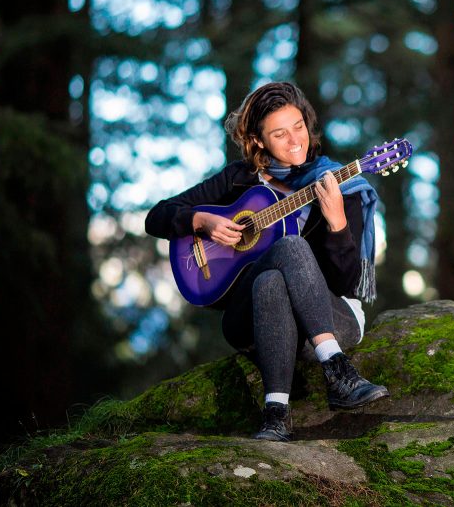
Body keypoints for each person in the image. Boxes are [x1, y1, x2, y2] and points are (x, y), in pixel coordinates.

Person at [145, 81, 388, 442]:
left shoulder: (337, 185)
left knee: (282, 261)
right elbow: (157, 217)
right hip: (254, 321)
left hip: (330, 316)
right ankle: (334, 378)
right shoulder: (239, 180)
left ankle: (278, 410)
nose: (295, 141)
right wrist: (201, 221)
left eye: (299, 127)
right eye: (279, 134)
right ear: (258, 141)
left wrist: (336, 223)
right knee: (274, 273)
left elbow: (346, 284)